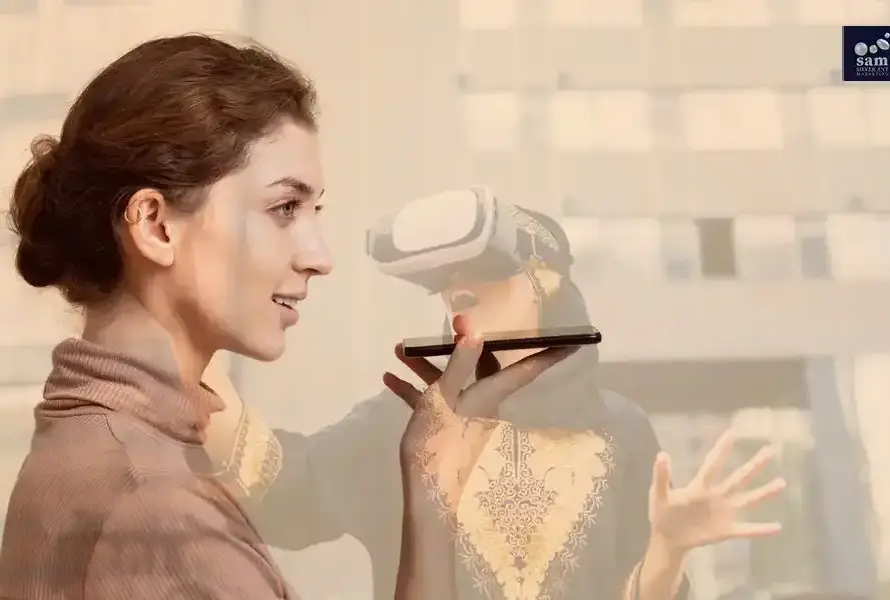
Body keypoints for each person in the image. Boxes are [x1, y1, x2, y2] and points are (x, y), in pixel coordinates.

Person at [0, 35, 566, 600]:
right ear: (155, 225)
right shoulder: (155, 506)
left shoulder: (91, 444)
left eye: (313, 210)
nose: (319, 256)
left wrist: (431, 479)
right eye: (283, 208)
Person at [203, 193, 789, 600]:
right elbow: (285, 488)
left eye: (483, 272)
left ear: (544, 282)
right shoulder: (406, 421)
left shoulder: (619, 429)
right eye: (445, 283)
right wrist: (193, 341)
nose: (457, 292)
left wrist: (670, 545)